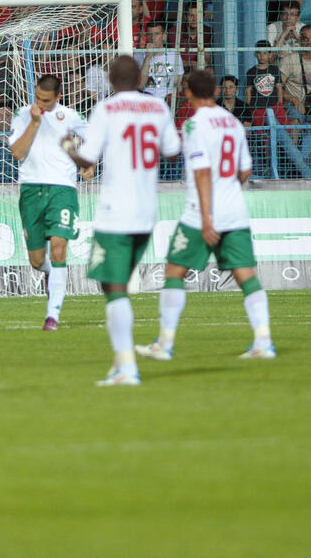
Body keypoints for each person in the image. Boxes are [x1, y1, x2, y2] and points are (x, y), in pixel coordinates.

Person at [137, 69, 276, 363]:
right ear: (214, 91)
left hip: (200, 214)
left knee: (174, 271)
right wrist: (227, 193)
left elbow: (200, 172)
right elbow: (245, 170)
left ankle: (164, 343)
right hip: (235, 211)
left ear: (187, 92)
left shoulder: (193, 125)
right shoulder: (234, 123)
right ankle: (264, 342)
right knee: (246, 276)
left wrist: (208, 217)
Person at [64, 55, 180, 386]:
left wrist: (69, 147)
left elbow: (87, 158)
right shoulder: (158, 107)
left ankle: (126, 367)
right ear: (139, 79)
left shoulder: (106, 109)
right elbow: (172, 150)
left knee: (113, 289)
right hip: (146, 213)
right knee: (119, 285)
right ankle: (122, 363)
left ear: (112, 79)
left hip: (115, 213)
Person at [7, 74, 92, 331]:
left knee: (58, 248)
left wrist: (89, 164)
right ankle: (51, 273)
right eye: (37, 98)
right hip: (31, 191)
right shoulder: (23, 115)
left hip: (62, 191)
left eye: (46, 100)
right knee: (36, 260)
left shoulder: (72, 118)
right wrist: (34, 122)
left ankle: (52, 316)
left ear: (58, 97)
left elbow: (92, 145)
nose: (41, 104)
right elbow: (18, 152)